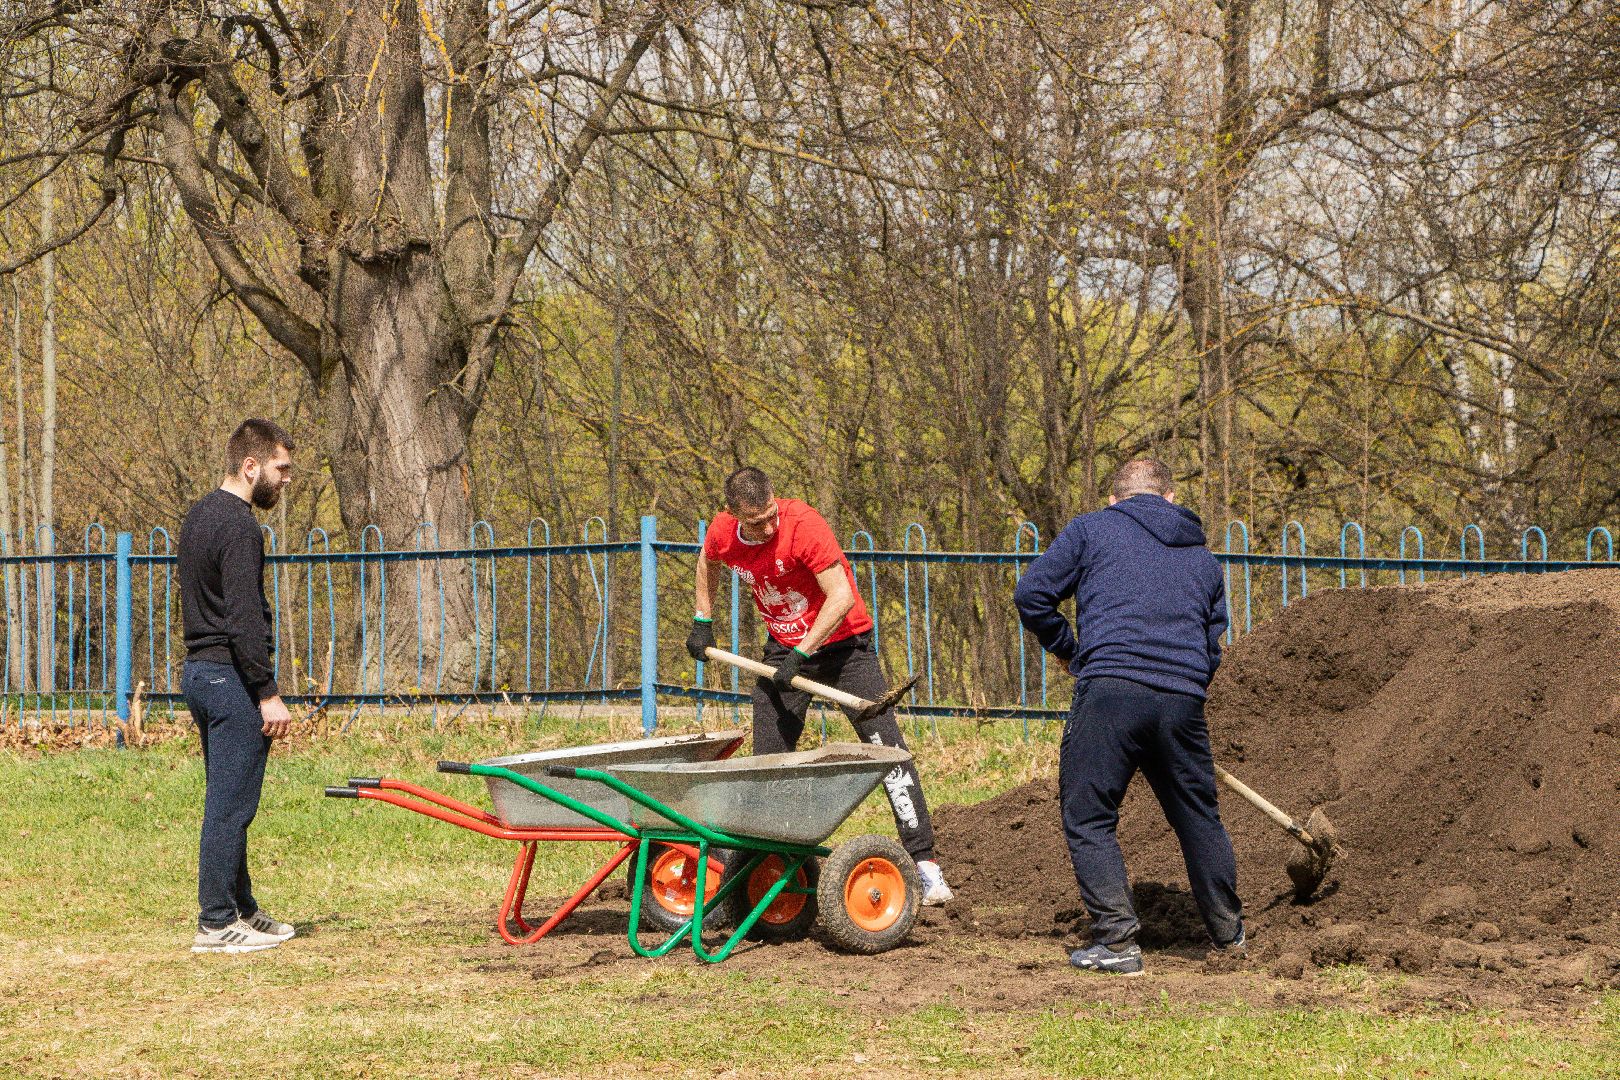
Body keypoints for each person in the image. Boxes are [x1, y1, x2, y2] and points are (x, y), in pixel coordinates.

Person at [1013, 459, 1243, 975]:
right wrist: (1183, 687)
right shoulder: (1203, 558)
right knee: (1198, 817)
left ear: (1115, 499)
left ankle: (1117, 942)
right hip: (1182, 701)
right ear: (1169, 497)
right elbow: (1212, 647)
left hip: (1110, 691)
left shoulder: (1093, 528)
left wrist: (1068, 648)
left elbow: (1032, 595)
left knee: (1089, 816)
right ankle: (1229, 935)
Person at [685, 467, 954, 904]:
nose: (769, 527)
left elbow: (841, 596)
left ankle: (925, 866)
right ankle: (768, 867)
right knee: (768, 762)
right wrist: (703, 619)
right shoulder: (722, 533)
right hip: (784, 652)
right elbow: (706, 561)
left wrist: (803, 653)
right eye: (756, 523)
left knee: (887, 751)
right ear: (734, 515)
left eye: (772, 514)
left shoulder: (803, 525)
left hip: (845, 647)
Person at [178, 419, 298, 954]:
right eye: (281, 468)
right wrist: (267, 691)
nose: (286, 479)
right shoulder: (241, 528)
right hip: (229, 679)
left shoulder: (198, 516)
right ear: (251, 467)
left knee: (230, 795)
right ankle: (215, 921)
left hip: (199, 675)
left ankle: (242, 909)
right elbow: (244, 617)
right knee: (230, 805)